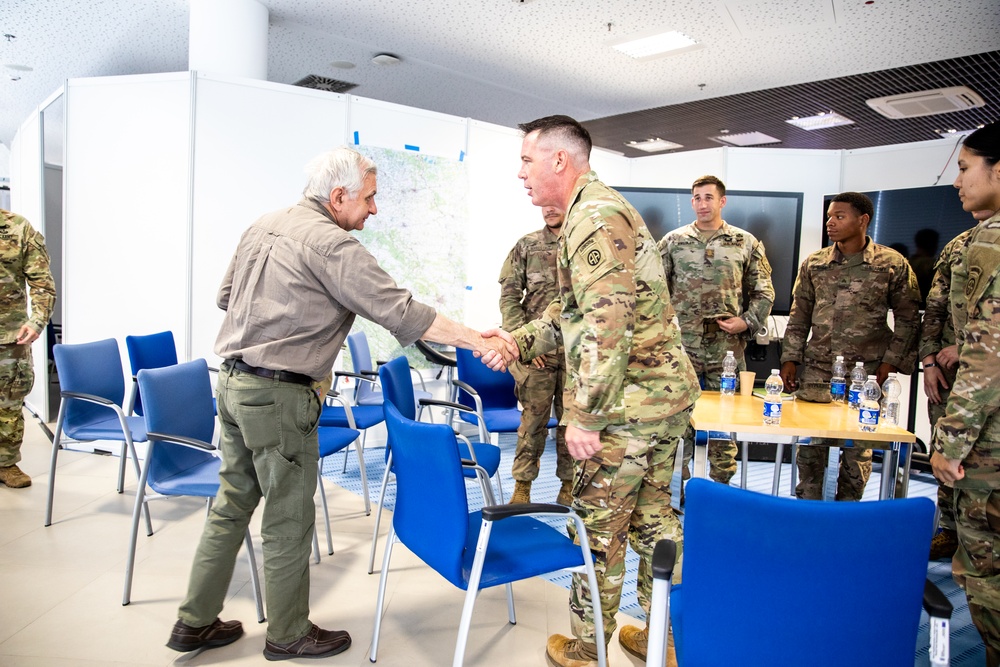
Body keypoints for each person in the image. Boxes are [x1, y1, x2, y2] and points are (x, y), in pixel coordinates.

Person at [167, 147, 512, 660]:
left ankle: (193, 622)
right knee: (288, 517)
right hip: (280, 397)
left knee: (232, 503)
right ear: (338, 197)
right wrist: (477, 341)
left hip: (234, 386)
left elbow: (226, 297)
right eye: (369, 198)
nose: (373, 209)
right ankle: (287, 634)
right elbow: (405, 314)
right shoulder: (333, 246)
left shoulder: (264, 225)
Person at [497, 115, 699, 667]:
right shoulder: (598, 210)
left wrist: (585, 416)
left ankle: (589, 650)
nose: (521, 174)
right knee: (656, 521)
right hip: (658, 404)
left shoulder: (591, 216)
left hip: (626, 413)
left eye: (526, 161)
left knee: (597, 528)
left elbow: (608, 324)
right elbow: (573, 312)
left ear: (559, 160)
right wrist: (517, 341)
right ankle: (673, 636)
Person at [780, 192, 920, 501]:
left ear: (863, 220)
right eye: (829, 216)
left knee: (857, 451)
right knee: (811, 448)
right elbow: (799, 314)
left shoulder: (891, 264)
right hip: (818, 371)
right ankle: (809, 513)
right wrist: (790, 357)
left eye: (839, 216)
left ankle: (848, 512)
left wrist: (890, 363)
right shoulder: (815, 264)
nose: (830, 222)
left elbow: (909, 319)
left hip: (867, 374)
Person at [930, 120, 1000, 667]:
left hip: (991, 447)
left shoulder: (994, 241)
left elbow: (987, 354)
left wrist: (950, 445)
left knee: (985, 575)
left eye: (963, 167)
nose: (956, 181)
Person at [657, 175, 773, 486]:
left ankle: (721, 491)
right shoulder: (672, 242)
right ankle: (675, 493)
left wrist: (746, 322)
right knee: (676, 424)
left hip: (727, 350)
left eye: (708, 197)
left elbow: (764, 292)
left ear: (722, 201)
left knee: (725, 423)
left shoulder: (744, 242)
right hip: (682, 350)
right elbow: (653, 292)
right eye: (696, 197)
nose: (702, 203)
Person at [920, 210, 993, 561]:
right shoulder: (959, 246)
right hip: (952, 378)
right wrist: (929, 362)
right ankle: (950, 529)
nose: (958, 183)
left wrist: (963, 347)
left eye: (965, 168)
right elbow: (933, 310)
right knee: (946, 449)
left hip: (984, 373)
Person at [498, 205, 573, 505]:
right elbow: (509, 297)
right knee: (532, 423)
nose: (549, 210)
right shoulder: (526, 246)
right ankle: (522, 487)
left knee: (571, 423)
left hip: (574, 353)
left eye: (556, 204)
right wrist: (524, 345)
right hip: (536, 356)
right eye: (545, 205)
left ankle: (568, 486)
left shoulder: (581, 244)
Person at [0, 209, 56, 489]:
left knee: (9, 402)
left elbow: (42, 283)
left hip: (9, 337)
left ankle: (6, 463)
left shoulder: (18, 228)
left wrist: (37, 321)